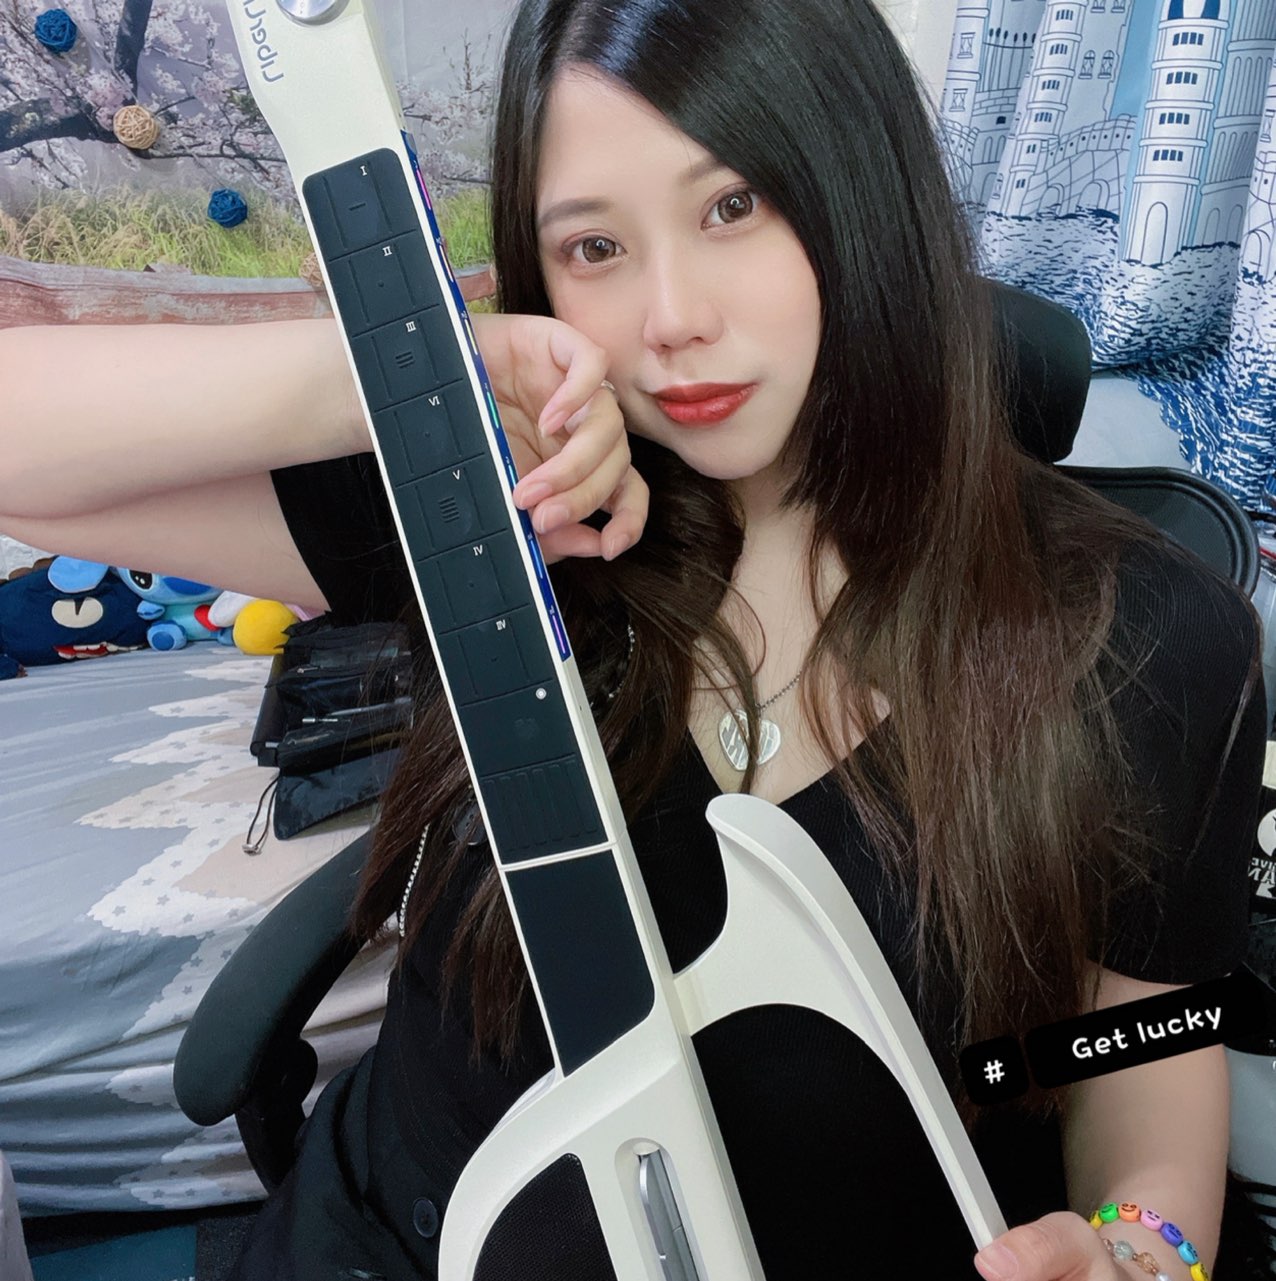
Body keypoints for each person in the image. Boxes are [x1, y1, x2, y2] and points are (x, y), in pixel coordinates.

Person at [0, 0, 1265, 1277]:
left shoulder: (1139, 633)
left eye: (732, 208)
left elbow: (1142, 1047)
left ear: (861, 190)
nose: (669, 319)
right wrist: (415, 375)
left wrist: (1144, 1248)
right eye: (594, 246)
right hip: (376, 1233)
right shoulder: (513, 503)